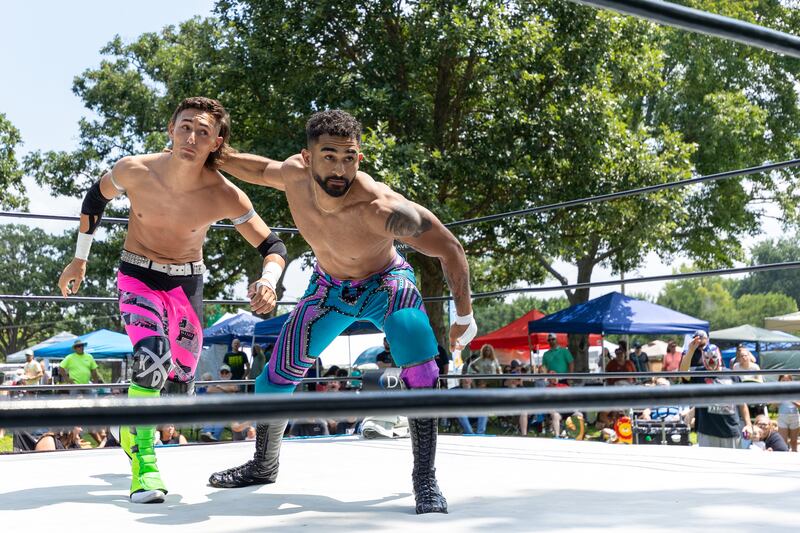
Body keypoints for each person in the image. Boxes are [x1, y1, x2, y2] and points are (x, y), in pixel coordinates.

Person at [208, 109, 476, 514]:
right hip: (328, 289)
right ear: (307, 156)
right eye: (329, 156)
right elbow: (260, 169)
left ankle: (425, 480)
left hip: (386, 284)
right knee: (272, 381)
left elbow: (450, 248)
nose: (339, 168)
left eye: (349, 157)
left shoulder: (380, 207)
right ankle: (264, 465)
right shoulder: (294, 174)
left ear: (360, 158)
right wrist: (216, 153)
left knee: (422, 368)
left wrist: (464, 317)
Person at [57, 97, 287, 504]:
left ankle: (131, 424)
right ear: (170, 128)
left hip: (186, 285)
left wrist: (269, 280)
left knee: (179, 389)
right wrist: (79, 260)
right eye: (185, 127)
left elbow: (273, 244)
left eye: (203, 132)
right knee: (152, 356)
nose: (191, 137)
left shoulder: (225, 194)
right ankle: (144, 467)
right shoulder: (134, 169)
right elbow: (95, 199)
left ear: (217, 142)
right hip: (137, 275)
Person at [679, 342, 752, 448]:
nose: (711, 360)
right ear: (703, 359)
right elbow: (683, 373)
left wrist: (748, 424)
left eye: (714, 357)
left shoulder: (732, 376)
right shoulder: (699, 375)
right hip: (707, 432)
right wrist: (690, 351)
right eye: (707, 357)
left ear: (719, 357)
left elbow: (742, 403)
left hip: (731, 430)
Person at [776, 374, 800, 452]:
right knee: (783, 442)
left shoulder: (795, 391)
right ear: (779, 381)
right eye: (783, 380)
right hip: (782, 417)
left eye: (787, 380)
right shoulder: (777, 391)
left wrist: (793, 401)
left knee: (794, 442)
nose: (785, 382)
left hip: (794, 417)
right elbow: (773, 406)